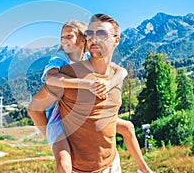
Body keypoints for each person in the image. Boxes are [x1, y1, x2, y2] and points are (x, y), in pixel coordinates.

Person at [28, 17, 152, 172]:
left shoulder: (100, 65)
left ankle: (144, 169)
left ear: (82, 41)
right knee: (64, 163)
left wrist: (109, 83)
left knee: (127, 127)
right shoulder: (62, 64)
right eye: (91, 35)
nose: (94, 39)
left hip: (111, 163)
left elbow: (122, 71)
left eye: (101, 35)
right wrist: (85, 84)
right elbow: (50, 81)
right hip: (56, 118)